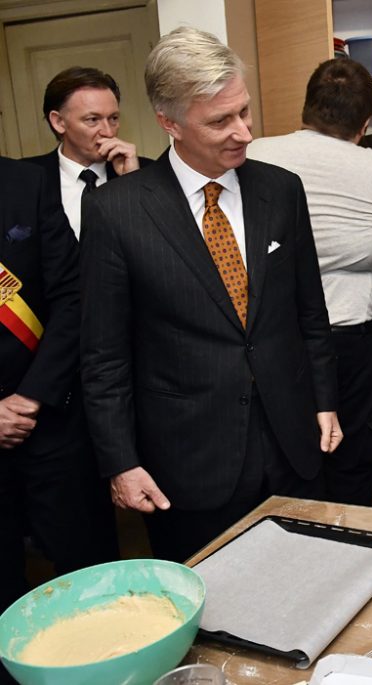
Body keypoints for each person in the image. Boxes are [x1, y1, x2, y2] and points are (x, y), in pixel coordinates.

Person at [79, 27, 341, 563]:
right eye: (220, 121)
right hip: (188, 460)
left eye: (244, 112)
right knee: (212, 611)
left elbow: (309, 311)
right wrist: (120, 463)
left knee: (306, 585)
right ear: (168, 122)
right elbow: (104, 356)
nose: (243, 132)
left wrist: (325, 401)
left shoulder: (281, 190)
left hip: (293, 443)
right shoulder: (118, 211)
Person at [247, 58, 372, 506]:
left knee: (288, 451)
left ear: (305, 107)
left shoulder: (258, 152)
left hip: (277, 334)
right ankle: (354, 553)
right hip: (350, 336)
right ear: (366, 120)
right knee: (352, 453)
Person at [0, 157, 117, 617]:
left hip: (49, 413)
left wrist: (30, 397)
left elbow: (72, 294)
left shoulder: (26, 182)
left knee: (89, 571)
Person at [22, 67, 151, 237]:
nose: (108, 132)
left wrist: (131, 183)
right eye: (92, 120)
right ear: (59, 122)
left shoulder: (148, 173)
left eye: (113, 118)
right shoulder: (25, 178)